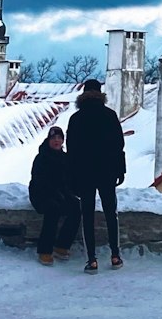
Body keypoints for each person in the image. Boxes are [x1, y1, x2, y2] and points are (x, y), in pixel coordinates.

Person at [66, 76, 126, 271]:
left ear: (83, 94)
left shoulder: (76, 118)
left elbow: (72, 150)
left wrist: (72, 176)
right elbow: (119, 145)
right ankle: (115, 255)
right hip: (106, 171)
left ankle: (91, 259)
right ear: (100, 93)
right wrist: (120, 170)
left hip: (84, 172)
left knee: (87, 215)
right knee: (111, 213)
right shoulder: (109, 115)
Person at [29, 124, 81, 266]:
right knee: (53, 209)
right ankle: (44, 250)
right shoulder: (42, 157)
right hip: (41, 194)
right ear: (49, 140)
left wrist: (75, 192)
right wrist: (56, 193)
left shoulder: (65, 158)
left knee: (77, 207)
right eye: (54, 138)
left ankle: (62, 246)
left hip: (61, 194)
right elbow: (39, 180)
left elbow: (70, 180)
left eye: (59, 138)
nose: (56, 141)